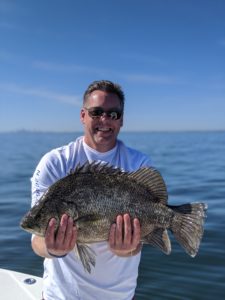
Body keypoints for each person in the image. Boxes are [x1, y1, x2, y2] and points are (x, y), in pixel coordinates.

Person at [31, 80, 152, 300]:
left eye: (113, 114)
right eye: (96, 112)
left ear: (121, 120)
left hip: (120, 296)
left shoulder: (138, 164)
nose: (104, 120)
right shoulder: (55, 163)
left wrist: (127, 249)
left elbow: (139, 243)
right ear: (83, 115)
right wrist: (54, 249)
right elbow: (36, 241)